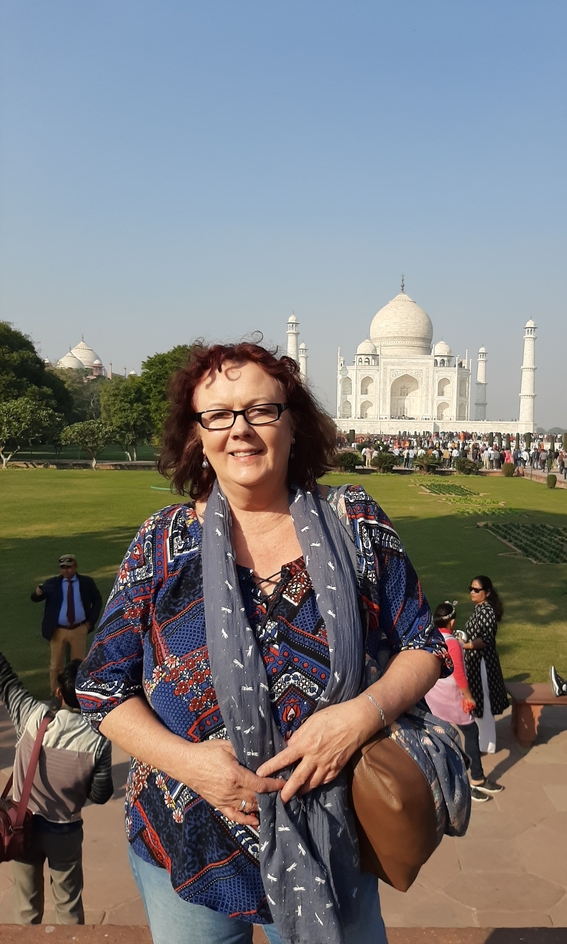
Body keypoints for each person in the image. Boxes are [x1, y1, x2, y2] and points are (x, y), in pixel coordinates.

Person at [76, 342, 452, 944]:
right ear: (197, 435)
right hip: (187, 831)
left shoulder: (354, 522)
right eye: (218, 415)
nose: (240, 430)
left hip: (333, 836)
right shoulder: (163, 542)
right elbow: (101, 688)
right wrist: (192, 766)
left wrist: (360, 716)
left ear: (292, 423)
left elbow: (424, 645)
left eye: (261, 410)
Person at [0, 654, 113, 924]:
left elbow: (5, 680)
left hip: (21, 827)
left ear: (59, 692)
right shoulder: (99, 741)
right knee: (69, 909)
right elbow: (100, 795)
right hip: (65, 832)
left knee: (26, 911)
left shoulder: (31, 714)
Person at [425, 603, 503, 803]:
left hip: (434, 695)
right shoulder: (452, 642)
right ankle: (476, 779)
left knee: (440, 736)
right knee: (471, 732)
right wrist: (469, 697)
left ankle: (441, 781)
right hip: (451, 696)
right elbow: (459, 674)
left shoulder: (431, 637)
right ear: (452, 622)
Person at [30, 554, 102, 695]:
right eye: (63, 567)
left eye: (68, 567)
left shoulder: (86, 582)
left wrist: (89, 623)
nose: (65, 570)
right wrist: (38, 592)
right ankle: (56, 694)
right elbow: (35, 598)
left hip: (79, 628)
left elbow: (97, 601)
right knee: (56, 666)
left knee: (79, 665)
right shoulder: (53, 583)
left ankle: (77, 694)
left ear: (75, 566)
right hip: (58, 631)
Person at [461, 576, 509, 754]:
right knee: (478, 700)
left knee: (484, 702)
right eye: (471, 589)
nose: (472, 592)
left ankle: (487, 744)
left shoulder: (487, 611)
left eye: (476, 590)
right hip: (476, 661)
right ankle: (483, 741)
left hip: (483, 662)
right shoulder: (479, 608)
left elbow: (486, 639)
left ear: (487, 593)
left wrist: (464, 645)